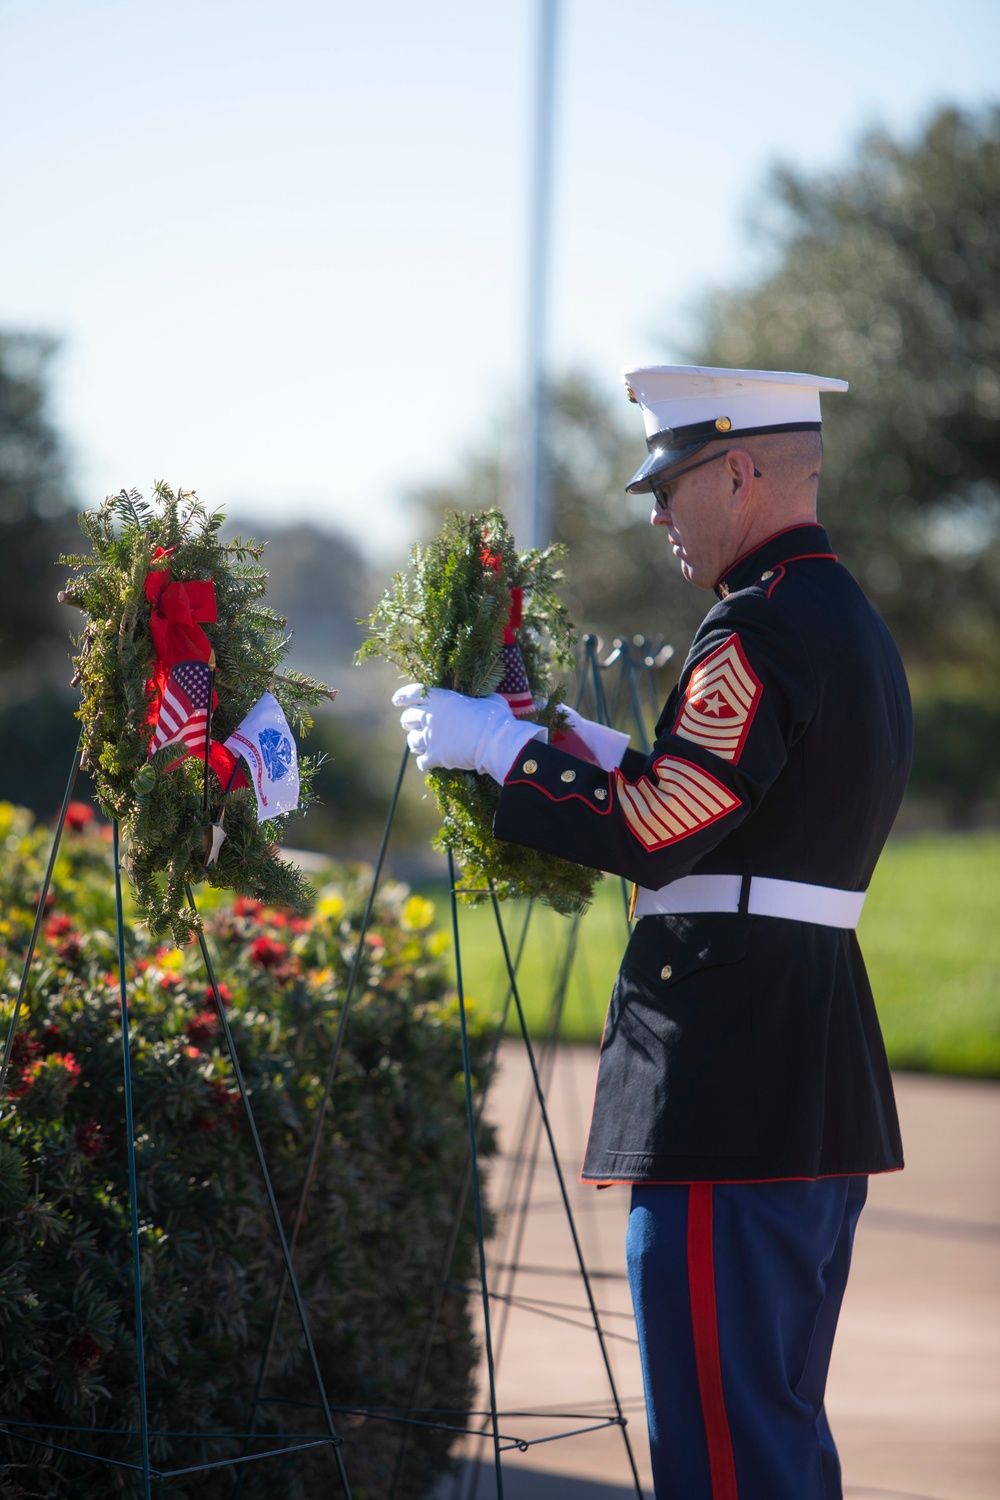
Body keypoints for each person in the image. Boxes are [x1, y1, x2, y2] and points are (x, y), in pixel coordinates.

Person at [393, 364, 913, 1500]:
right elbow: (738, 809)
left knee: (723, 1449)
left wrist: (504, 753)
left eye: (669, 486)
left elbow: (666, 830)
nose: (659, 515)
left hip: (733, 1076)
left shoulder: (755, 626)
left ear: (738, 471)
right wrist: (583, 743)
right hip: (802, 1063)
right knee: (771, 1427)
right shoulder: (840, 618)